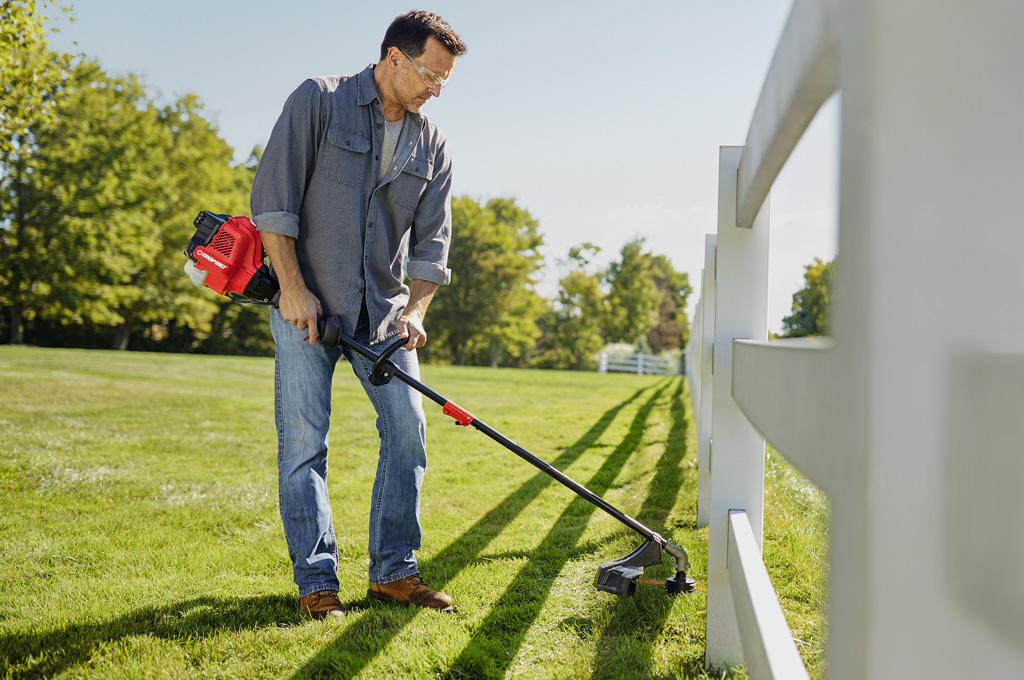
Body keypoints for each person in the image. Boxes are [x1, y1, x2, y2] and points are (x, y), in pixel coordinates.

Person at [249, 10, 467, 619]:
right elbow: (275, 201)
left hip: (384, 320)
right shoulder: (319, 101)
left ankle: (394, 573)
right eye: (430, 73)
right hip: (306, 309)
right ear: (394, 58)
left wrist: (417, 310)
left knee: (409, 432)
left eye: (446, 80)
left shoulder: (433, 142)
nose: (436, 88)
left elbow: (432, 246)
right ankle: (317, 583)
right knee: (303, 446)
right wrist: (293, 290)